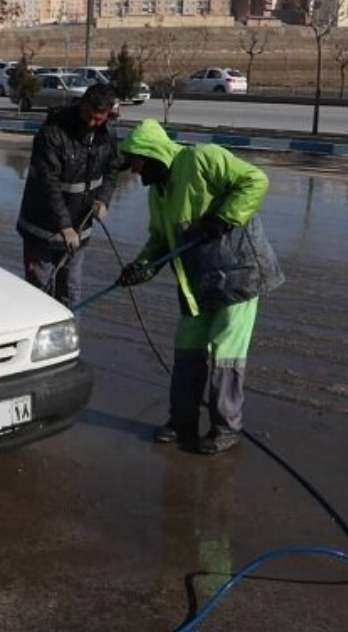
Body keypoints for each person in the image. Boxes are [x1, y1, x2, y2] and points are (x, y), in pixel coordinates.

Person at [116, 119, 284, 455]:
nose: (134, 172)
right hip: (198, 282)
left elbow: (255, 180)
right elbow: (161, 240)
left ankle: (226, 427)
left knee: (225, 351)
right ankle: (182, 422)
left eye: (135, 163)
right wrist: (142, 267)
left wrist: (225, 217)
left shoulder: (202, 158)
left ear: (151, 155)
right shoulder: (158, 194)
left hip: (238, 273)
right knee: (187, 347)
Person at [16, 83, 120, 307]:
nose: (92, 123)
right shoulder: (53, 133)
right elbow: (48, 183)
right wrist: (64, 226)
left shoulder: (108, 134)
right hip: (42, 232)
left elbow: (112, 171)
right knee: (39, 296)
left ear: (109, 113)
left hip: (79, 232)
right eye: (89, 116)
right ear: (82, 104)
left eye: (99, 120)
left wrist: (103, 200)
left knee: (70, 295)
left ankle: (69, 340)